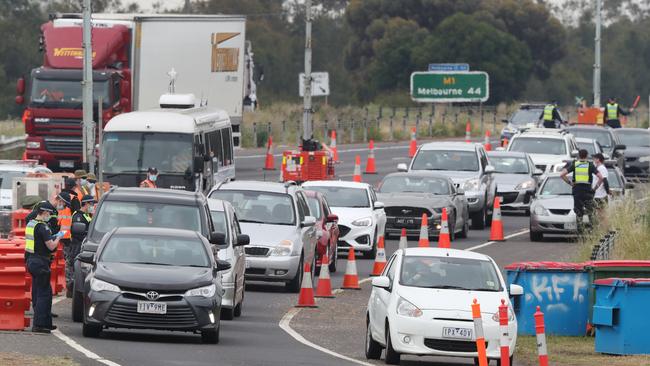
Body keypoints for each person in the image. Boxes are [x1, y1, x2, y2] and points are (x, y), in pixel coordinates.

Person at [25, 201, 63, 333]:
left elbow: (38, 240)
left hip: (32, 260)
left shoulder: (31, 223)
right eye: (49, 213)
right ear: (45, 212)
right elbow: (51, 246)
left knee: (37, 292)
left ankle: (46, 323)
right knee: (44, 294)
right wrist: (58, 237)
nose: (50, 215)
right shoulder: (43, 226)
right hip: (41, 262)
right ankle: (40, 324)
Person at [560, 149, 604, 230]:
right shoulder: (590, 165)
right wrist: (595, 188)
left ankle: (580, 231)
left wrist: (570, 183)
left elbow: (562, 174)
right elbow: (601, 177)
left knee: (578, 212)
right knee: (590, 211)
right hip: (587, 190)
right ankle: (591, 230)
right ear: (586, 155)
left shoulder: (575, 164)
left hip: (577, 190)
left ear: (579, 156)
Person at [68, 195, 95, 297]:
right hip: (77, 247)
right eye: (91, 204)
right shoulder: (78, 216)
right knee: (77, 272)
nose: (92, 206)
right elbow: (78, 233)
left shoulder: (87, 215)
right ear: (86, 204)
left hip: (85, 246)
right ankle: (73, 292)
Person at [56, 191, 74, 297]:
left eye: (59, 200)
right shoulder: (66, 210)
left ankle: (70, 289)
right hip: (68, 240)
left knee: (68, 265)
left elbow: (62, 227)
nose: (58, 202)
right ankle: (70, 288)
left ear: (63, 201)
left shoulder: (65, 211)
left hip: (67, 241)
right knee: (69, 265)